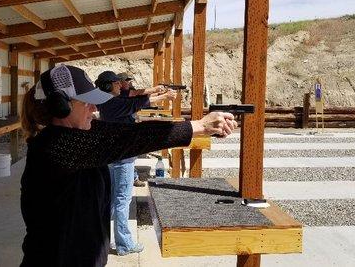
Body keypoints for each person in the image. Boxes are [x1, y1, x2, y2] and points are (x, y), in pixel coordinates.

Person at [19, 64, 237, 267]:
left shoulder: (77, 137)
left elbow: (127, 135)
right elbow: (128, 138)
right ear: (61, 106)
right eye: (85, 102)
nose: (93, 108)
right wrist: (198, 126)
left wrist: (203, 128)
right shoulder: (53, 146)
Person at [94, 70, 176, 256]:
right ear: (108, 86)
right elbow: (139, 102)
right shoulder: (112, 102)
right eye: (116, 83)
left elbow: (134, 97)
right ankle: (124, 245)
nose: (120, 86)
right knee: (122, 200)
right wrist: (164, 96)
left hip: (114, 156)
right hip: (122, 158)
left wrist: (156, 91)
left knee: (113, 201)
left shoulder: (109, 100)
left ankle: (103, 240)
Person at [116, 72, 167, 187]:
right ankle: (130, 179)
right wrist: (157, 91)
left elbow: (143, 98)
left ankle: (133, 177)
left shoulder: (127, 91)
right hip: (121, 131)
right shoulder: (121, 93)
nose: (129, 82)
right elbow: (139, 95)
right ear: (119, 82)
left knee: (129, 157)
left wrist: (158, 93)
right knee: (125, 160)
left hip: (127, 128)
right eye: (127, 80)